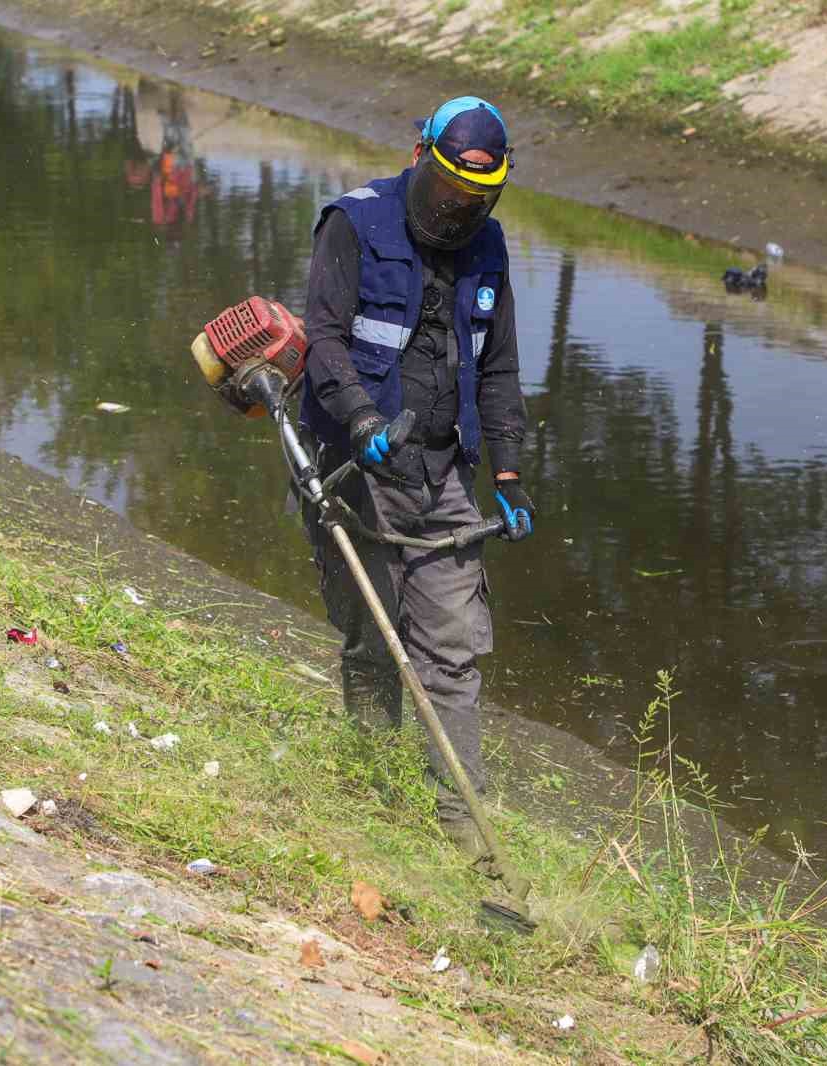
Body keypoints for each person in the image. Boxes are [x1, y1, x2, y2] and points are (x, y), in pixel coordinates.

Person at [299, 96, 535, 861]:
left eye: (477, 198)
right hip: (355, 460)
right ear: (419, 154)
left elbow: (497, 367)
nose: (459, 209)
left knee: (451, 647)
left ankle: (464, 822)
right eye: (448, 190)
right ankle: (373, 785)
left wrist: (506, 470)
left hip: (442, 468)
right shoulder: (354, 222)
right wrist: (364, 420)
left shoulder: (489, 246)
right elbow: (325, 342)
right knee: (374, 634)